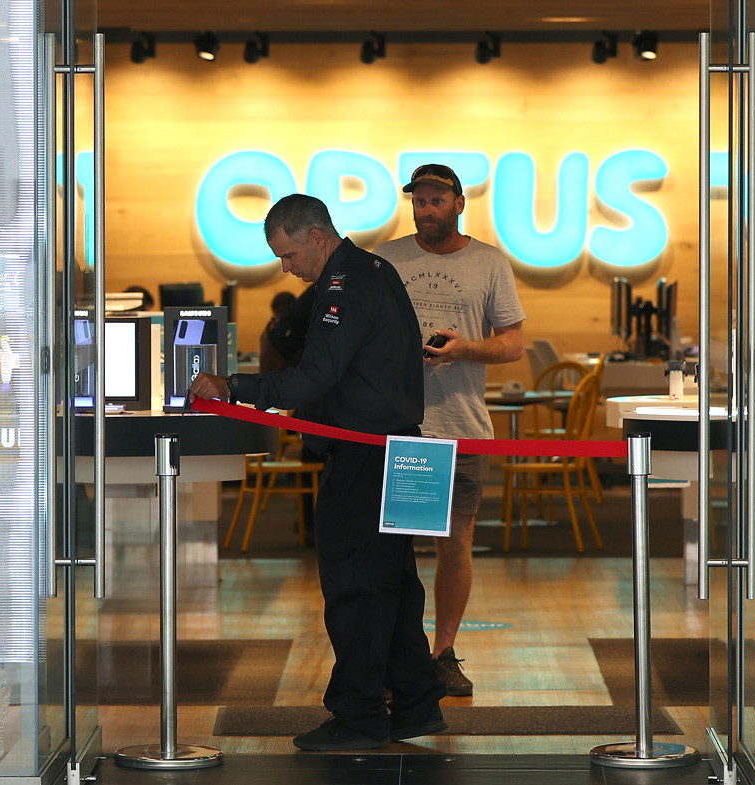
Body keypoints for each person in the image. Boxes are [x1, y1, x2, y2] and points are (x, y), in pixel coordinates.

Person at [190, 194, 446, 751]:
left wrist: (236, 388)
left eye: (286, 255)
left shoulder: (340, 288)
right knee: (395, 586)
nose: (286, 269)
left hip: (364, 459)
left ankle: (358, 717)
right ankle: (414, 702)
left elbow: (315, 375)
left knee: (356, 588)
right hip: (400, 451)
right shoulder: (378, 270)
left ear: (315, 237)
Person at [373, 164, 526, 698]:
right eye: (419, 201)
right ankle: (400, 655)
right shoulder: (386, 259)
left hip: (462, 425)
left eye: (437, 200)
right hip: (401, 425)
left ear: (459, 203)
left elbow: (512, 343)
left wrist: (463, 349)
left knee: (455, 543)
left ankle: (442, 653)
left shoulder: (488, 262)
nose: (426, 210)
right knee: (396, 547)